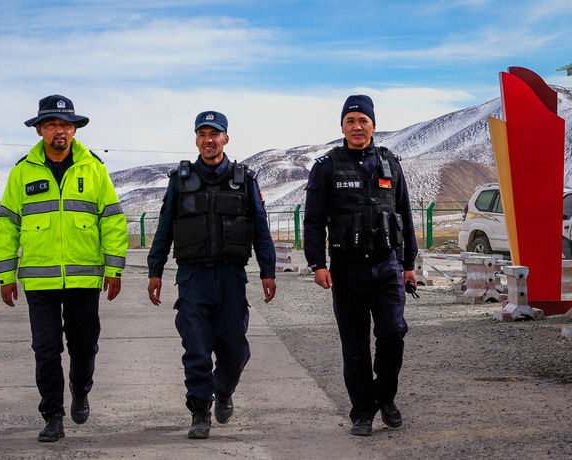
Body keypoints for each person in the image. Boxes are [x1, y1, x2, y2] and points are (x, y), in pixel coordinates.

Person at [0, 94, 128, 442]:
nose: (60, 131)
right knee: (46, 349)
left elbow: (112, 220)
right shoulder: (22, 172)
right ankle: (52, 416)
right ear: (39, 129)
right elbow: (7, 225)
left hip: (84, 279)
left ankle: (80, 390)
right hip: (40, 281)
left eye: (66, 125)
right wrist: (6, 276)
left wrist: (114, 269)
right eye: (52, 124)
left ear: (74, 130)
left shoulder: (93, 168)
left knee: (84, 346)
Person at [147, 111, 277, 439]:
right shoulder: (180, 180)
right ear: (196, 139)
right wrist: (155, 270)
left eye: (214, 134)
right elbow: (165, 227)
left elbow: (260, 229)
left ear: (225, 138)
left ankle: (224, 390)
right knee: (196, 348)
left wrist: (268, 270)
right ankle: (200, 411)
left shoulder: (244, 179)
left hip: (232, 277)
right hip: (193, 278)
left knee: (236, 349)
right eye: (203, 134)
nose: (209, 140)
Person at [303, 95, 417, 436]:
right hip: (347, 269)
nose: (357, 126)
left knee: (393, 333)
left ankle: (386, 397)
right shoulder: (327, 166)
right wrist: (316, 263)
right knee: (354, 346)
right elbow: (313, 220)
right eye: (350, 121)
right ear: (342, 126)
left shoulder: (389, 163)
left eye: (362, 120)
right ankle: (362, 411)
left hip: (387, 266)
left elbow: (404, 212)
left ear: (373, 125)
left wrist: (408, 263)